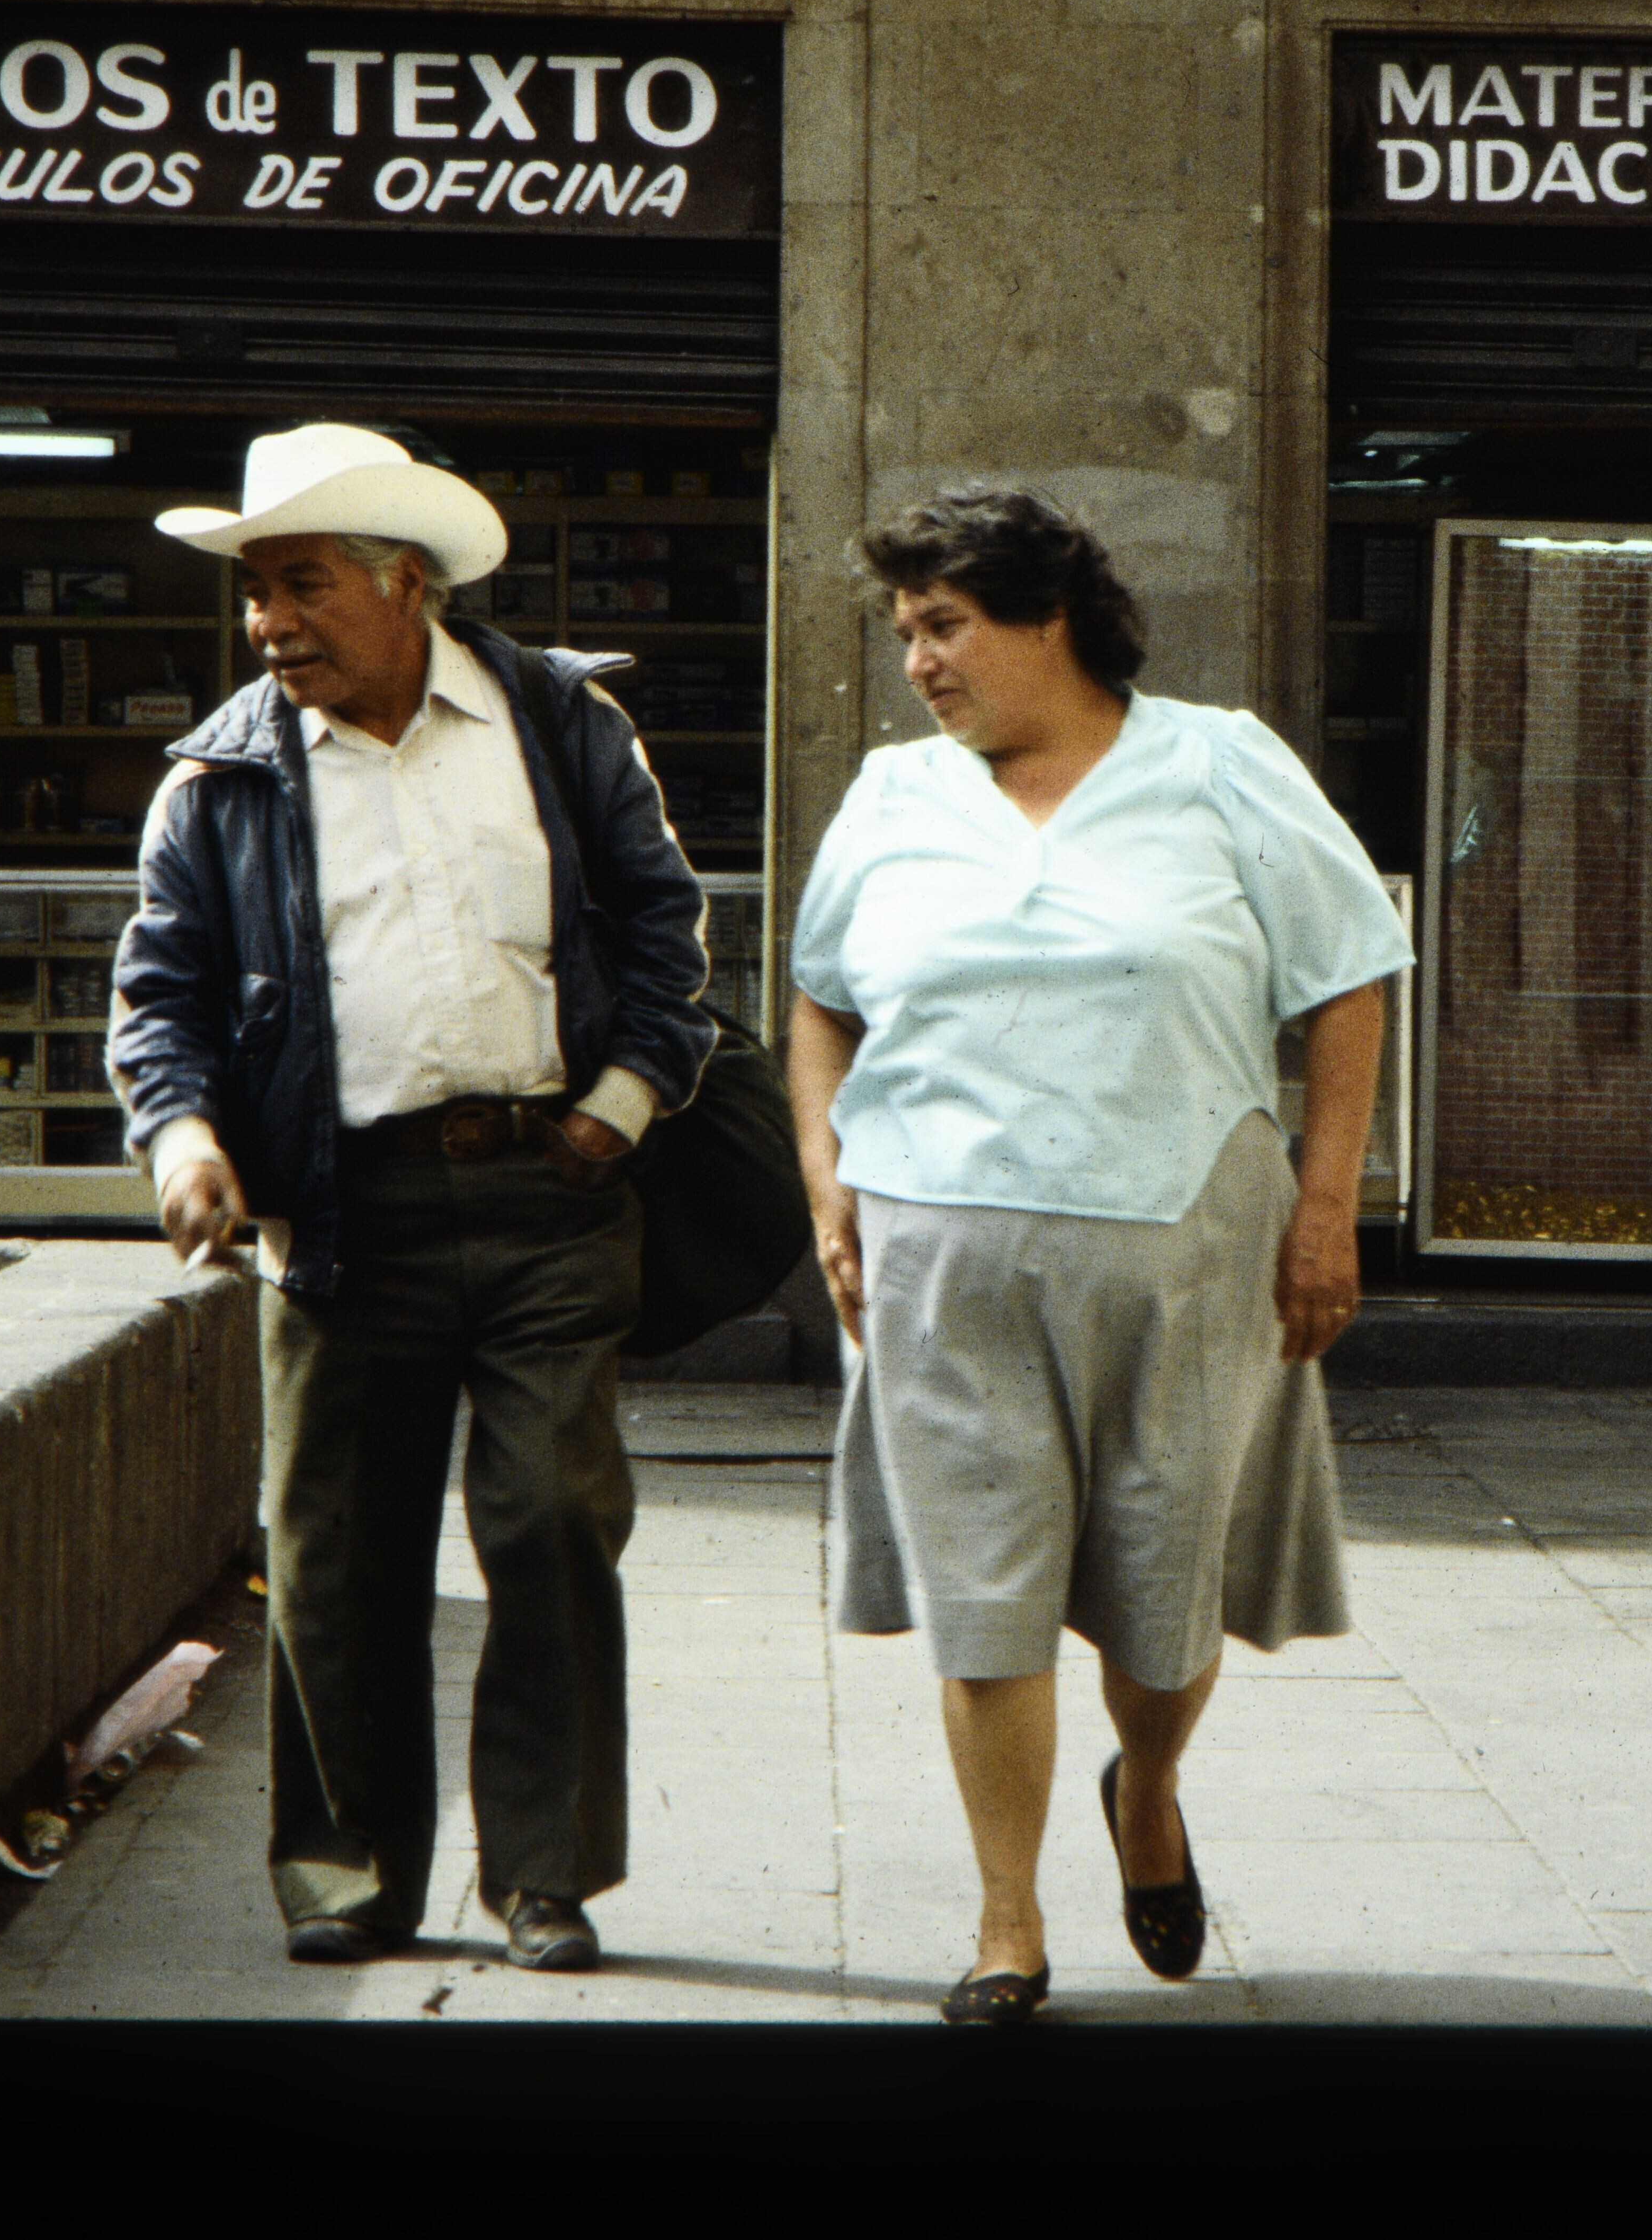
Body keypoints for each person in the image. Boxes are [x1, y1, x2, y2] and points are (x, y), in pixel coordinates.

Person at [785, 484, 1413, 2026]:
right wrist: (825, 1181)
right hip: (941, 1253)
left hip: (1189, 1246)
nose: (917, 662)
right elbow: (817, 1000)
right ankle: (1007, 1921)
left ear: (1045, 617)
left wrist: (1325, 1205)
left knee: (1164, 1589)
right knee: (984, 1594)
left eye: (943, 624)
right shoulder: (891, 792)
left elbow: (1347, 979)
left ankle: (1149, 1783)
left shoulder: (1217, 761)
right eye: (904, 632)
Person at [110, 422, 716, 1972]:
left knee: (553, 1518)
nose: (268, 621)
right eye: (255, 591)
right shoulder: (220, 777)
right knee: (332, 1552)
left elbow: (665, 931)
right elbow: (160, 993)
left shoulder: (559, 721)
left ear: (404, 581)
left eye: (301, 583)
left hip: (551, 1192)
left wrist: (619, 1108)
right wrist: (183, 1137)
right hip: (338, 1213)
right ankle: (349, 1876)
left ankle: (546, 1874)